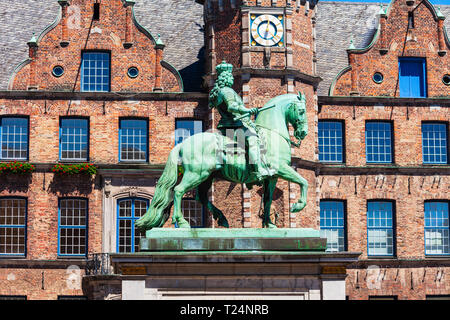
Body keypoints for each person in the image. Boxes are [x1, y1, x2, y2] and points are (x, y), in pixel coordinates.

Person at [208, 61, 271, 183]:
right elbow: (232, 107)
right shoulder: (226, 91)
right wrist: (247, 110)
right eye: (230, 76)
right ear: (226, 77)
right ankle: (258, 171)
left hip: (231, 126)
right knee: (253, 141)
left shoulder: (223, 91)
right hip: (232, 128)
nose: (232, 78)